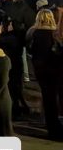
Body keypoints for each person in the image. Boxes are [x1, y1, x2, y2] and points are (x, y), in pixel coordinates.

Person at [26, 7, 62, 139]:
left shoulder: (32, 32)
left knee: (47, 96)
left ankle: (49, 122)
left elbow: (29, 49)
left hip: (39, 68)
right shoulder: (55, 34)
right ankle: (54, 126)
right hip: (54, 68)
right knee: (53, 96)